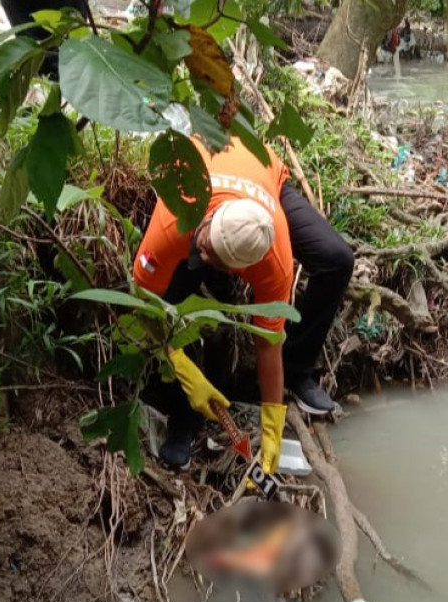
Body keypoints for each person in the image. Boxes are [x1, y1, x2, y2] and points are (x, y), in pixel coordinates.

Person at [133, 135, 354, 470]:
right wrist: (181, 366)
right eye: (206, 248)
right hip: (206, 165)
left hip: (263, 181)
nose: (205, 257)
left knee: (337, 259)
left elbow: (268, 344)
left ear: (245, 267)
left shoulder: (275, 261)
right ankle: (183, 417)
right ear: (208, 222)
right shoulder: (174, 218)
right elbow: (143, 302)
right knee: (172, 297)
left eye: (217, 261)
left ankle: (298, 376)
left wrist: (272, 432)